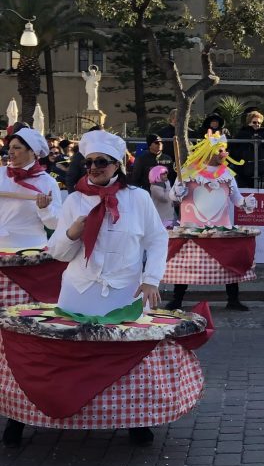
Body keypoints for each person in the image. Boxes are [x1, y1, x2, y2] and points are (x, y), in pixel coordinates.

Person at [39, 130, 168, 446]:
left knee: (129, 359)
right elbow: (57, 253)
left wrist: (151, 279)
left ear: (117, 165)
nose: (94, 168)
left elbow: (157, 238)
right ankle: (69, 410)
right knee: (73, 357)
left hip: (126, 292)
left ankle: (136, 420)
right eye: (89, 163)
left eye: (102, 162)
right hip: (79, 291)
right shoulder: (74, 200)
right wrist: (71, 232)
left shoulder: (137, 198)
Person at [167, 133, 258, 311]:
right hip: (191, 231)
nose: (224, 154)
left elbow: (237, 199)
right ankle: (176, 299)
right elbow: (173, 196)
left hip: (221, 229)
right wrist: (178, 189)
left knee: (229, 265)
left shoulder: (227, 175)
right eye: (220, 150)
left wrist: (246, 203)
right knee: (186, 265)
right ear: (209, 152)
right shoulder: (187, 172)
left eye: (225, 150)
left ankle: (233, 300)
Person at [0, 127, 62, 249]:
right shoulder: (0, 174)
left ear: (33, 151)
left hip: (30, 250)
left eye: (17, 148)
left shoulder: (47, 182)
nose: (10, 152)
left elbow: (55, 224)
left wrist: (45, 209)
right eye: (10, 147)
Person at [232, 110, 264, 188]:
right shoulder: (242, 133)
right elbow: (234, 148)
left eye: (259, 123)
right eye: (254, 122)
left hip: (260, 163)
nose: (257, 124)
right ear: (249, 122)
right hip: (244, 164)